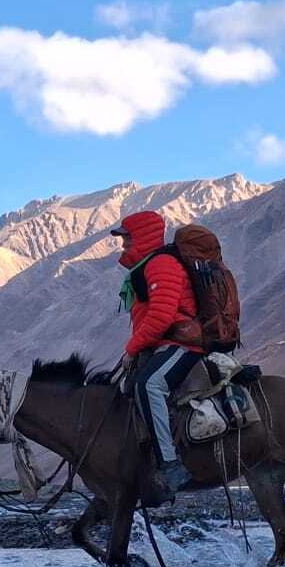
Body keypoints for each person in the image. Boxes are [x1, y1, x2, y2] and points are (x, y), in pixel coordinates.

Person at [111, 210, 205, 501]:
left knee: (149, 385)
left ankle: (170, 464)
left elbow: (162, 317)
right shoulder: (145, 268)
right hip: (162, 344)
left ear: (140, 236)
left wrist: (131, 349)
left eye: (126, 238)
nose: (123, 244)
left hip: (183, 344)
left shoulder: (161, 265)